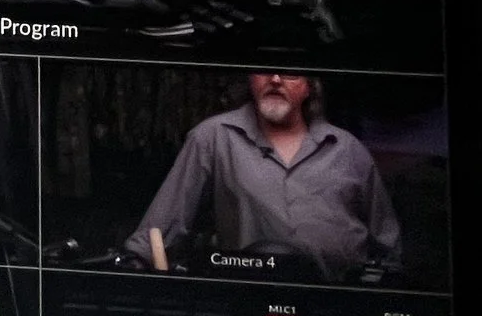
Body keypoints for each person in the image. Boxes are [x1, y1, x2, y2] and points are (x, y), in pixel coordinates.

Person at [122, 72, 400, 279]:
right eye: (264, 69)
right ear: (250, 80)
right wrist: (135, 264)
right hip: (251, 296)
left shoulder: (346, 147)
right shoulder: (214, 137)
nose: (276, 79)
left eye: (290, 73)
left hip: (337, 302)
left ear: (309, 87)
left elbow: (386, 241)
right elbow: (161, 226)